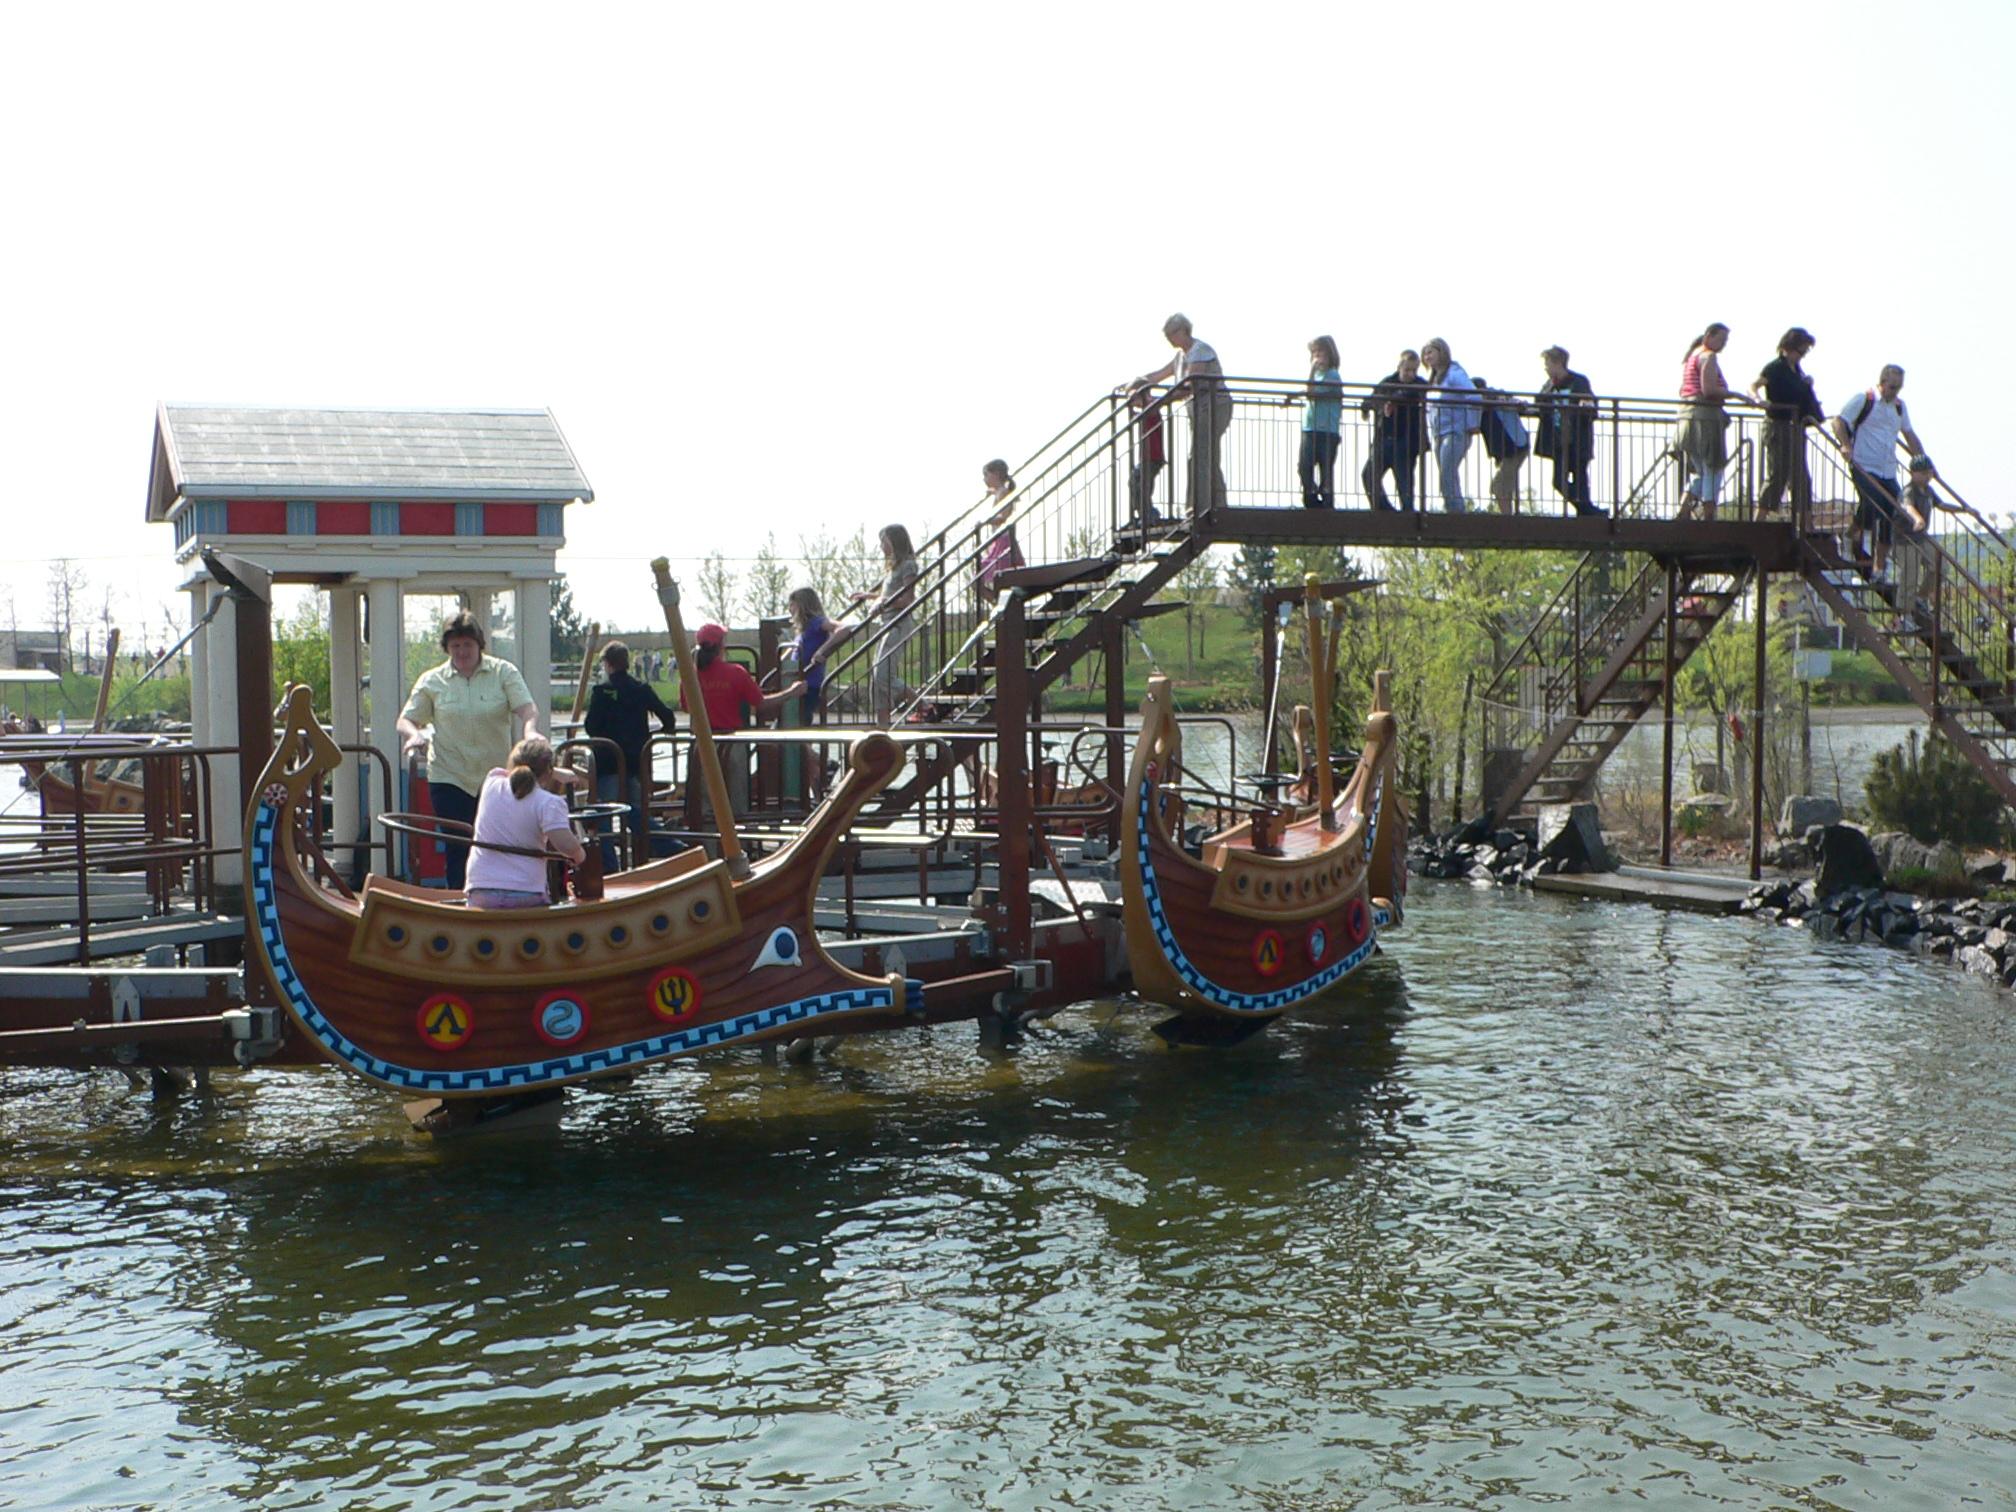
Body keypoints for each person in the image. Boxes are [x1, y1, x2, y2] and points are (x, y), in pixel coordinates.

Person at [397, 610, 541, 891]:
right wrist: (414, 735)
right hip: (450, 776)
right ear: (447, 647)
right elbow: (406, 719)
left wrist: (531, 731)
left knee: (499, 842)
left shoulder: (503, 672)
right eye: (455, 646)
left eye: (467, 644)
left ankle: (502, 897)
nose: (462, 652)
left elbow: (527, 708)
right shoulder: (432, 680)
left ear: (479, 644)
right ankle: (460, 900)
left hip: (496, 777)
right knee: (458, 845)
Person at [680, 623, 803, 816]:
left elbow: (687, 708)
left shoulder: (689, 677)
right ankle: (738, 835)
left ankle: (708, 835)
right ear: (721, 646)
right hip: (732, 744)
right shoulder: (735, 673)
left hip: (701, 745)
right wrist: (791, 692)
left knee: (705, 805)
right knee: (736, 802)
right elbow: (760, 703)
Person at [582, 639, 676, 869]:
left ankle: (609, 867)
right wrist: (654, 734)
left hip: (607, 762)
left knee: (602, 815)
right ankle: (672, 848)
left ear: (608, 664)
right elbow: (668, 717)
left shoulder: (602, 692)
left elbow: (591, 726)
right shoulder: (641, 689)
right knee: (636, 811)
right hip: (635, 762)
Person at [465, 736, 586, 910]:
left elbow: (510, 772)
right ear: (547, 773)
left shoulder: (491, 782)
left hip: (481, 890)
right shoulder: (549, 803)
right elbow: (566, 846)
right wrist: (581, 856)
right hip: (526, 893)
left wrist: (551, 771)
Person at [1830, 364, 1926, 582]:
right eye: (1892, 387)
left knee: (1893, 515)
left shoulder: (1899, 407)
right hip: (1864, 464)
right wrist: (1845, 445)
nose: (1895, 392)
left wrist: (1923, 463)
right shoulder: (1865, 399)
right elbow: (1838, 421)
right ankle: (1849, 536)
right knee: (1872, 503)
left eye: (1899, 388)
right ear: (1882, 383)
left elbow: (1909, 434)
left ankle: (1879, 568)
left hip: (1887, 470)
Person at [816, 524, 918, 728]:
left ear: (894, 542)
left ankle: (921, 704)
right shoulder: (894, 567)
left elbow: (907, 599)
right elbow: (890, 594)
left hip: (898, 624)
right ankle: (882, 723)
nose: (881, 546)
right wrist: (872, 596)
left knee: (883, 676)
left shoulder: (908, 565)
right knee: (876, 677)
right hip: (887, 623)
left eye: (884, 541)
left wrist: (883, 601)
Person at [1128, 314, 1230, 513]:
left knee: (1201, 454)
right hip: (1198, 410)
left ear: (1183, 330)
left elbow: (1189, 385)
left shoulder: (1200, 351)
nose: (1169, 339)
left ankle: (1200, 506)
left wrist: (1158, 403)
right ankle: (1214, 503)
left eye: (1171, 333)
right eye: (1166, 335)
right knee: (1205, 454)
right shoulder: (1180, 357)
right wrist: (1132, 385)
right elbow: (1158, 375)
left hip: (1213, 407)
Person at [1752, 327, 1824, 515]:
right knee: (1778, 474)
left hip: (1795, 427)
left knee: (1801, 477)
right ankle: (1760, 518)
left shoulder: (1798, 372)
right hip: (1777, 425)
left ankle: (1805, 521)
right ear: (1789, 347)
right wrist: (1758, 400)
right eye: (1801, 351)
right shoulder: (1775, 368)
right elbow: (1754, 386)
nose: (1802, 356)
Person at [1536, 346, 1602, 517]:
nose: (1546, 368)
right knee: (1558, 481)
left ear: (1558, 363)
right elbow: (1539, 404)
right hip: (1559, 441)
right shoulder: (1549, 385)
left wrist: (1585, 405)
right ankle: (1589, 511)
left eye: (1548, 364)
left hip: (1577, 439)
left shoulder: (1578, 381)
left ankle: (1586, 513)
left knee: (1580, 479)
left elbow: (1590, 404)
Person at [1676, 324, 1733, 518]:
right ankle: (1709, 515)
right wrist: (1734, 395)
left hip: (1688, 418)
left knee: (1700, 471)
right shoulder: (1708, 356)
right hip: (1705, 419)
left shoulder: (1692, 356)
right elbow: (1708, 390)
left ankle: (1684, 510)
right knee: (1713, 467)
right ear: (1709, 336)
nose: (1723, 344)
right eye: (1721, 339)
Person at [1894, 455, 1955, 633]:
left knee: (1940, 567)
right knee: (1910, 577)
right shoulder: (1909, 491)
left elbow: (1940, 504)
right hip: (1906, 539)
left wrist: (1964, 510)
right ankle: (1904, 617)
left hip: (1921, 538)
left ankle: (1920, 596)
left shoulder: (1928, 491)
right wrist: (1918, 518)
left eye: (1929, 472)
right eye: (1923, 473)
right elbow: (1908, 506)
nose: (1927, 476)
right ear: (1913, 473)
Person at [1361, 349, 1426, 511]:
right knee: (1369, 474)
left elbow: (1415, 392)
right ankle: (1384, 509)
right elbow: (1372, 399)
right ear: (1399, 368)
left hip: (1406, 442)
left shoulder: (1419, 384)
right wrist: (1368, 408)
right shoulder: (1388, 382)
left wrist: (1393, 400)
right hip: (1384, 438)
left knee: (1405, 485)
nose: (1410, 374)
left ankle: (1408, 514)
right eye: (1407, 370)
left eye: (1414, 370)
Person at [1419, 338, 1480, 512]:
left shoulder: (1454, 373)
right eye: (1425, 354)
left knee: (1447, 472)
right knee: (1446, 473)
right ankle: (1452, 509)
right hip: (1439, 433)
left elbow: (1474, 396)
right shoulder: (1434, 378)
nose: (1427, 357)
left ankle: (1456, 513)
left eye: (1430, 352)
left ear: (1442, 352)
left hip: (1455, 431)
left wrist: (1473, 424)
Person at [1293, 335, 1343, 508]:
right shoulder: (1319, 376)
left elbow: (1312, 393)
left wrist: (1312, 370)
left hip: (1327, 430)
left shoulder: (1333, 375)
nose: (1317, 356)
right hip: (1310, 428)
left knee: (1325, 470)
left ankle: (1327, 504)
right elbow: (1309, 391)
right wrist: (1292, 396)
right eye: (1314, 352)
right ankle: (1311, 499)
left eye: (1320, 352)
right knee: (1304, 466)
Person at [1472, 375, 1530, 514]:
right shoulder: (1488, 403)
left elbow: (1515, 403)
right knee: (1505, 485)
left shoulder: (1495, 398)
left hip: (1515, 446)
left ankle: (1508, 518)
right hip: (1510, 448)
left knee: (1499, 486)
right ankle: (1510, 516)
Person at [974, 460, 1024, 603]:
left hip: (1004, 541)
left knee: (988, 577)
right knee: (987, 578)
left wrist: (985, 522)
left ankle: (1000, 603)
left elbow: (1005, 516)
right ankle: (1000, 603)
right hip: (999, 541)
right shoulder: (1000, 492)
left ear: (996, 474)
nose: (984, 479)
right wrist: (992, 492)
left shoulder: (1004, 492)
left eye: (986, 475)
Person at [1126, 381, 1167, 522]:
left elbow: (1150, 409)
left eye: (1134, 399)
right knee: (1134, 482)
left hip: (1154, 457)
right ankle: (1143, 513)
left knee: (1143, 485)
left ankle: (1149, 514)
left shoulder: (1151, 406)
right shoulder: (1145, 410)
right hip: (1146, 457)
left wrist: (1138, 397)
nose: (1132, 403)